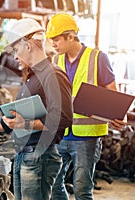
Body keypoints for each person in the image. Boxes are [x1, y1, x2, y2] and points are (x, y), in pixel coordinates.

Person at [0, 18, 73, 200]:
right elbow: (13, 120)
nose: (15, 56)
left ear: (28, 45)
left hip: (39, 156)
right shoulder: (33, 78)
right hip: (24, 154)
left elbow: (64, 118)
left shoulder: (53, 75)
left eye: (17, 50)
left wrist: (26, 123)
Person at [45, 12, 127, 200]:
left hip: (86, 138)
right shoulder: (56, 61)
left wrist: (116, 115)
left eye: (56, 40)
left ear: (71, 36)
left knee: (82, 189)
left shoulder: (98, 58)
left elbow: (112, 93)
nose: (53, 45)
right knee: (55, 185)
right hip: (62, 134)